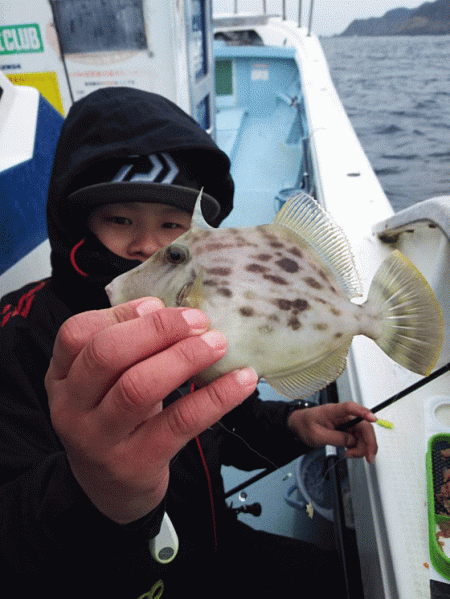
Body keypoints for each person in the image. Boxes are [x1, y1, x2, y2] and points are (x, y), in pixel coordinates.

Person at [0, 87, 378, 598]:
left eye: (173, 228)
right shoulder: (18, 337)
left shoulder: (201, 320)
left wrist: (297, 426)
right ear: (77, 225)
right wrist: (97, 494)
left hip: (215, 549)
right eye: (119, 219)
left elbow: (232, 423)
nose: (146, 247)